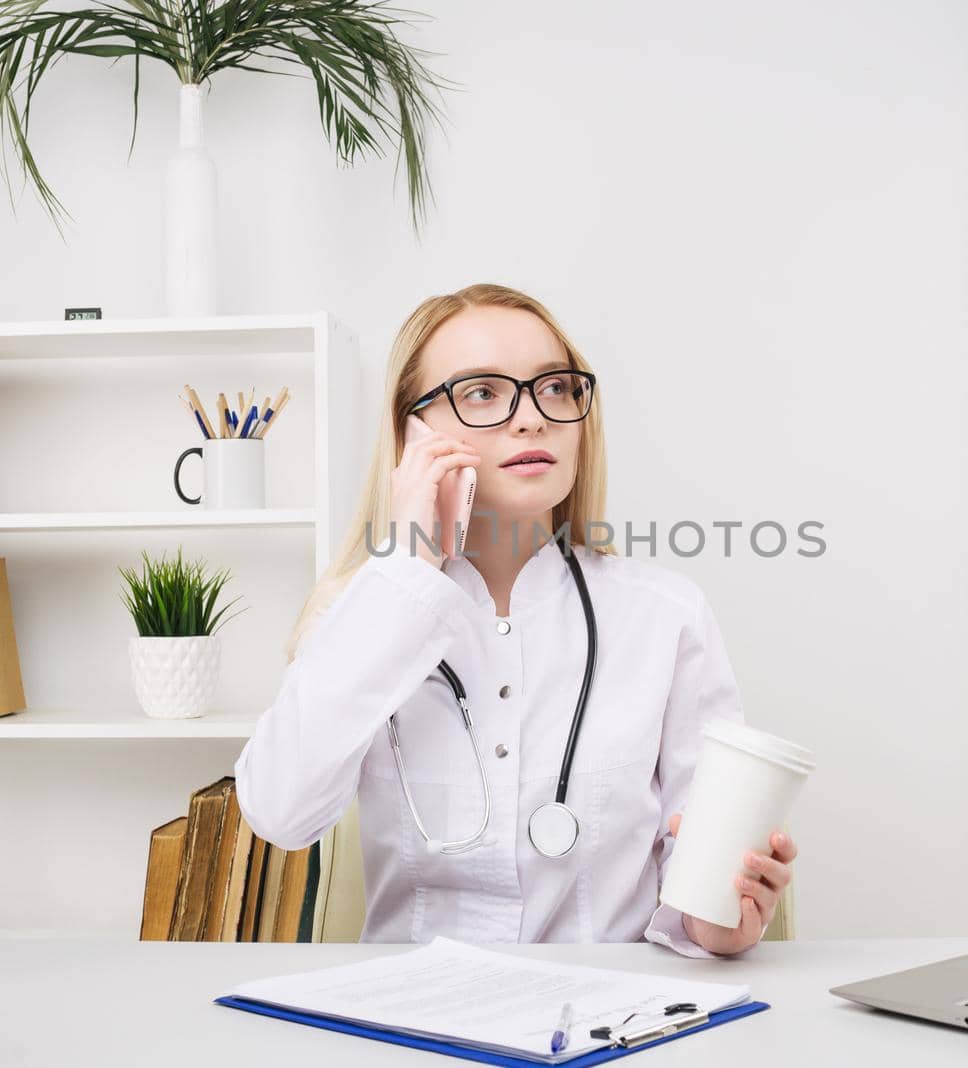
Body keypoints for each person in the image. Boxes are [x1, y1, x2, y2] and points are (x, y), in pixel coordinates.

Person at [234, 283, 797, 957]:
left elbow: (700, 865)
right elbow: (279, 813)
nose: (532, 418)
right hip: (407, 1021)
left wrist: (717, 921)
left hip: (606, 1021)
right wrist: (407, 567)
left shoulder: (666, 616)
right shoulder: (362, 614)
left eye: (556, 388)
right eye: (481, 393)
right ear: (410, 433)